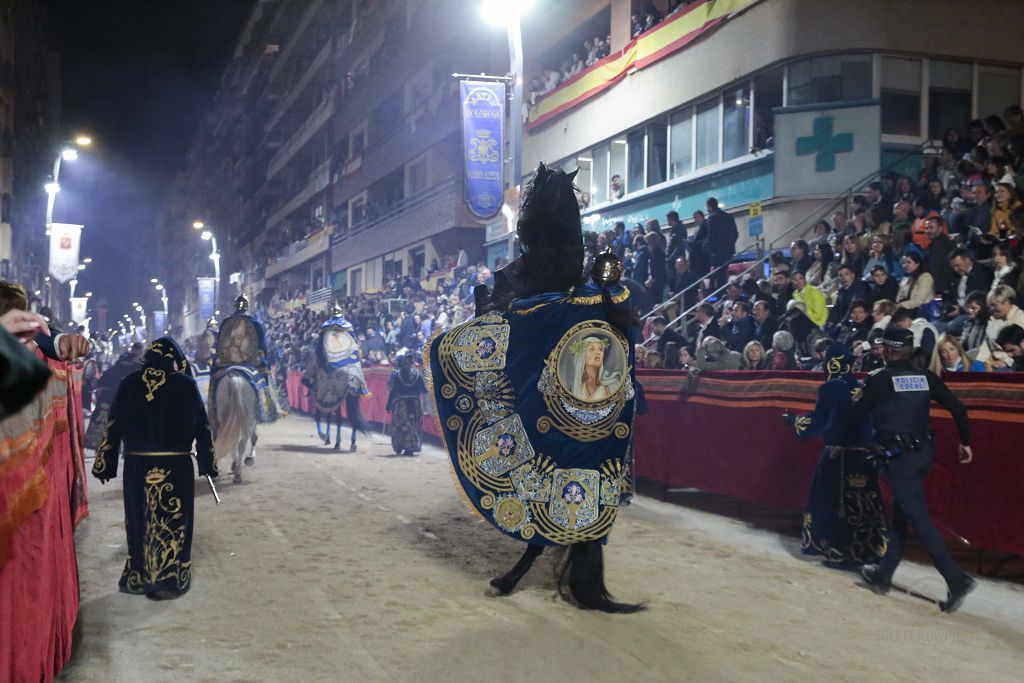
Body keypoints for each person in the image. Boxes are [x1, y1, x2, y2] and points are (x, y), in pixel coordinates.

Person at [428, 163, 642, 613]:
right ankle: (574, 566)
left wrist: (472, 328)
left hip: (558, 393)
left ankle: (531, 560)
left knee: (537, 465)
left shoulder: (541, 304)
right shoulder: (603, 299)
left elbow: (505, 336)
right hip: (601, 412)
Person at [857, 327, 976, 613]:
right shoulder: (926, 378)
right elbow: (958, 409)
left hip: (899, 460)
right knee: (902, 510)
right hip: (923, 455)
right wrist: (965, 443)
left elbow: (857, 415)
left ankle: (956, 578)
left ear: (886, 350)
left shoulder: (881, 380)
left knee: (918, 517)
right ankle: (884, 574)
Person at [91, 337, 218, 600]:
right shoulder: (185, 384)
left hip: (138, 465)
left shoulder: (128, 384)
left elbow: (113, 426)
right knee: (174, 519)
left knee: (139, 519)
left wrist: (106, 462)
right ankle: (171, 577)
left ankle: (138, 575)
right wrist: (207, 462)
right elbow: (202, 427)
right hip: (176, 465)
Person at [784, 344, 887, 568]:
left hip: (837, 458)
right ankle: (867, 552)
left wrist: (795, 421)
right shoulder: (863, 387)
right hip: (864, 459)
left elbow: (820, 423)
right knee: (863, 506)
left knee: (834, 504)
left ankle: (838, 551)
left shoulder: (831, 388)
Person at [385, 350, 427, 455]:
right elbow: (424, 390)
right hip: (415, 403)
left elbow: (393, 391)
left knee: (400, 425)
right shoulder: (418, 374)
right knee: (414, 425)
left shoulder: (397, 375)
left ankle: (399, 446)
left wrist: (388, 405)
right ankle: (411, 447)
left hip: (401, 403)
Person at [705, 197, 738, 289]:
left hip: (718, 253)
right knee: (724, 272)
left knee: (720, 275)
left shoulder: (712, 219)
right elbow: (735, 233)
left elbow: (711, 237)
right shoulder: (728, 217)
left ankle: (721, 293)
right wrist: (730, 244)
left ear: (709, 207)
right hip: (729, 250)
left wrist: (711, 251)